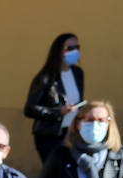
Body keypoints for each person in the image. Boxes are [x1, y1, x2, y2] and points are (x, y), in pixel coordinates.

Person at [25, 33, 84, 164]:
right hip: (50, 136)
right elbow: (29, 109)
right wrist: (58, 112)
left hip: (71, 134)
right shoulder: (45, 77)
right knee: (54, 174)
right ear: (59, 51)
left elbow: (79, 100)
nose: (75, 51)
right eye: (70, 48)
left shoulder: (78, 73)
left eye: (77, 47)